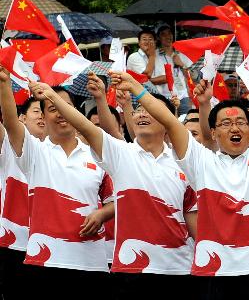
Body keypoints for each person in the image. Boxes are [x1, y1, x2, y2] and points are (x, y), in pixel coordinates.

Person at [107, 47, 249, 300]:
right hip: (213, 272)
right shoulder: (201, 162)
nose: (234, 127)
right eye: (225, 123)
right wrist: (137, 88)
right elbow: (170, 122)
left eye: (240, 122)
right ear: (213, 133)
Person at [27, 71, 197, 299]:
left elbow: (193, 220)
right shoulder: (121, 154)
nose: (142, 114)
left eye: (150, 110)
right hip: (129, 270)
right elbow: (87, 128)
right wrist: (54, 98)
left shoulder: (185, 162)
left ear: (169, 121)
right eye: (138, 110)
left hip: (179, 269)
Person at [0, 67, 114, 300]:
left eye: (66, 108)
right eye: (53, 108)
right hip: (44, 261)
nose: (61, 114)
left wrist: (102, 214)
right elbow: (12, 124)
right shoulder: (35, 152)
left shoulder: (98, 154)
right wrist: (4, 84)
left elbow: (116, 201)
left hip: (91, 262)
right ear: (43, 116)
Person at [0, 96, 46, 299]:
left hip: (49, 248)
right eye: (36, 111)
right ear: (21, 118)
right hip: (12, 244)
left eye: (46, 111)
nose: (42, 116)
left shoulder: (62, 153)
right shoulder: (8, 146)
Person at [154, 24, 192, 115]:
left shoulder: (181, 53)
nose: (168, 36)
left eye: (169, 33)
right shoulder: (154, 56)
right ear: (158, 38)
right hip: (165, 98)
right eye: (163, 34)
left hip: (183, 96)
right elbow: (152, 78)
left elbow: (191, 76)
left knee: (185, 123)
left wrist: (182, 65)